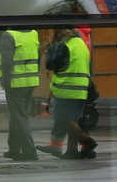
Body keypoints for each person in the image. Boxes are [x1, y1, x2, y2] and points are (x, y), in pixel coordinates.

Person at [0, 24, 44, 161]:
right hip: (31, 81)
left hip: (16, 83)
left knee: (20, 117)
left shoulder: (9, 35)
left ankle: (29, 151)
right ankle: (14, 149)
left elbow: (7, 61)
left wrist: (5, 81)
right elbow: (38, 57)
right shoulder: (33, 33)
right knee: (17, 116)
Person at [42, 26, 97, 160]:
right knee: (74, 120)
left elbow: (51, 65)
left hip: (66, 88)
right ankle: (72, 151)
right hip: (81, 89)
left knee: (62, 117)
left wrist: (50, 50)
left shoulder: (64, 45)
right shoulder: (81, 43)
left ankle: (86, 140)